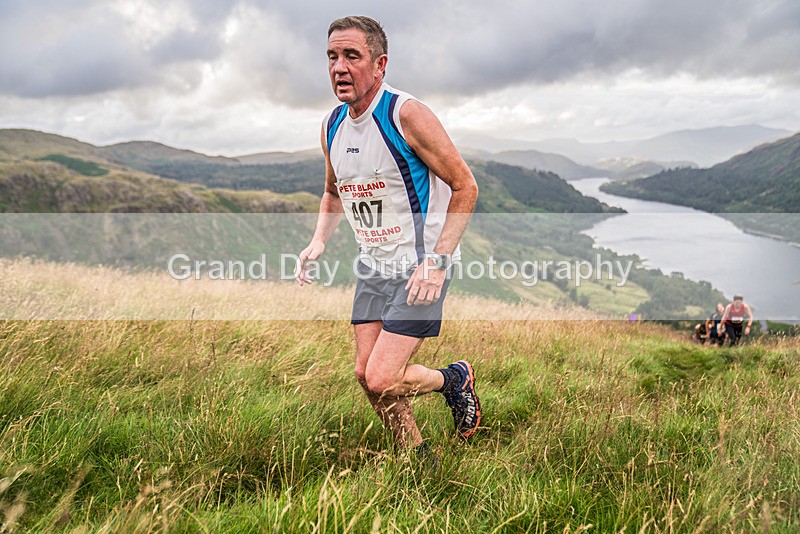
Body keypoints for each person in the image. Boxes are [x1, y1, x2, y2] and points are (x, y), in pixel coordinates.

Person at [295, 16, 481, 450]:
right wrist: (319, 240)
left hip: (420, 268)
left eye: (351, 56)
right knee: (366, 376)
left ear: (379, 65)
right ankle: (417, 461)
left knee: (383, 376)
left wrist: (436, 263)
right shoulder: (331, 126)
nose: (339, 67)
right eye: (332, 56)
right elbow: (332, 192)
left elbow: (465, 186)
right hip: (373, 266)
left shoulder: (405, 114)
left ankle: (453, 379)